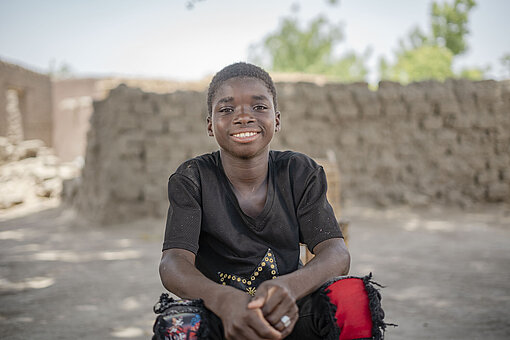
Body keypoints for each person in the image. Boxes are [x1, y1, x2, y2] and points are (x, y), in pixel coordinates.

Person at [155, 62, 387, 340]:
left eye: (259, 107)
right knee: (179, 324)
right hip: (220, 315)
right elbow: (173, 264)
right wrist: (223, 300)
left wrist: (289, 287)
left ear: (277, 120)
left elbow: (336, 253)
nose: (243, 117)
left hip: (289, 310)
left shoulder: (299, 172)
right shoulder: (193, 179)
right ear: (209, 124)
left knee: (352, 298)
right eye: (226, 109)